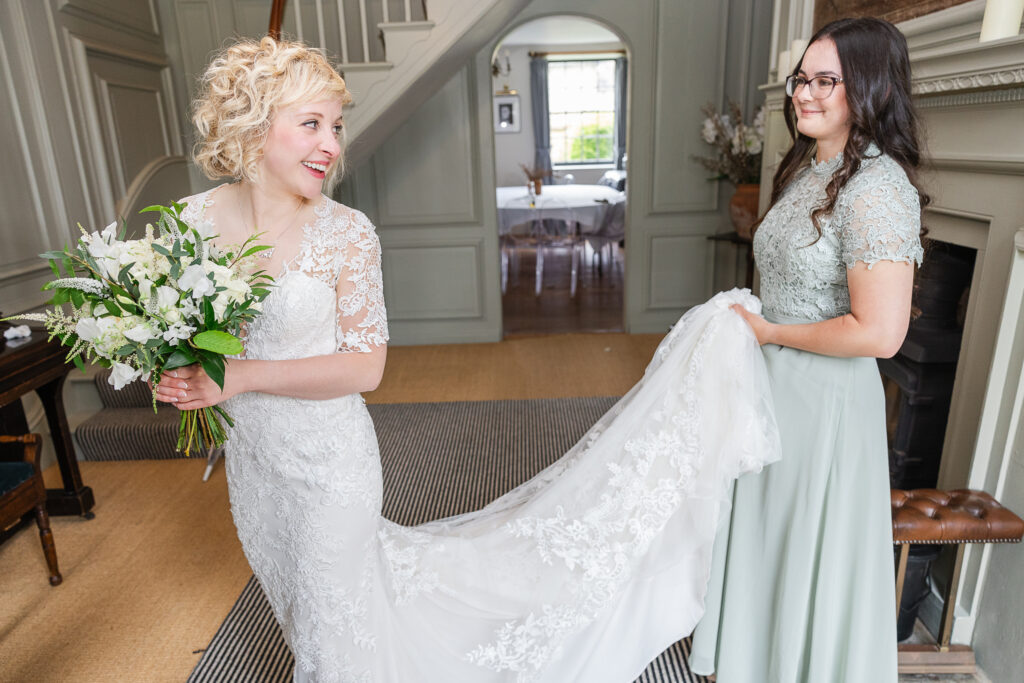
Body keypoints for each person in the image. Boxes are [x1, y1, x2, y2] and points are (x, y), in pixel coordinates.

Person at [154, 36, 784, 682]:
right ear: (255, 125)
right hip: (257, 464)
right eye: (311, 124)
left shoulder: (346, 233)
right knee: (301, 601)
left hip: (328, 465)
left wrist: (237, 377)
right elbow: (175, 334)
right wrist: (168, 368)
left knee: (332, 618)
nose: (332, 146)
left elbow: (366, 367)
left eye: (337, 126)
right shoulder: (188, 224)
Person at [689, 17, 926, 682]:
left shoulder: (877, 189)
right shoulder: (811, 168)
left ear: (871, 89)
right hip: (774, 386)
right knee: (768, 536)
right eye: (802, 78)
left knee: (802, 546)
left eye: (828, 80)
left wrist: (770, 333)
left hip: (823, 402)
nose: (805, 92)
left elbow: (881, 332)